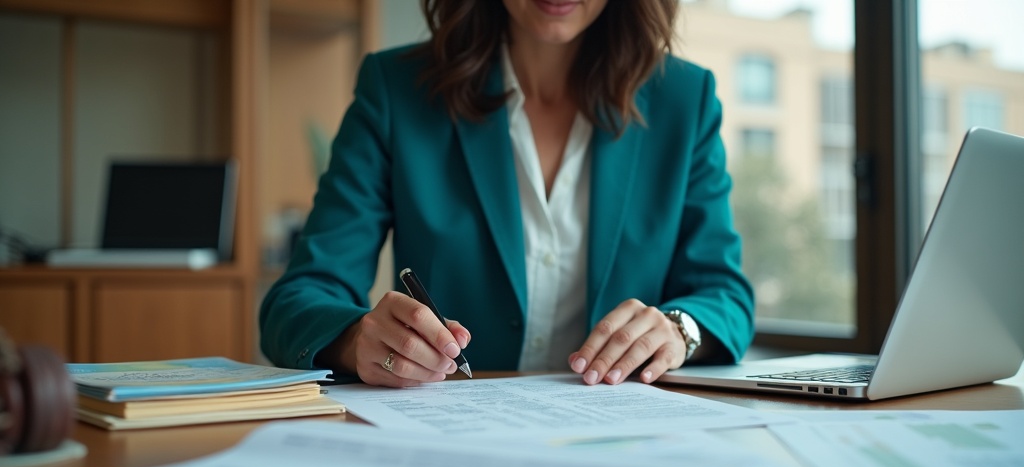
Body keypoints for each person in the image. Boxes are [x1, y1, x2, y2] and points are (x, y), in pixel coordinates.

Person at [259, 0, 755, 388]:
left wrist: (679, 329)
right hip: (448, 441)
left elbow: (725, 296)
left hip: (626, 442)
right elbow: (296, 301)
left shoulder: (683, 100)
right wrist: (355, 340)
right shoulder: (397, 90)